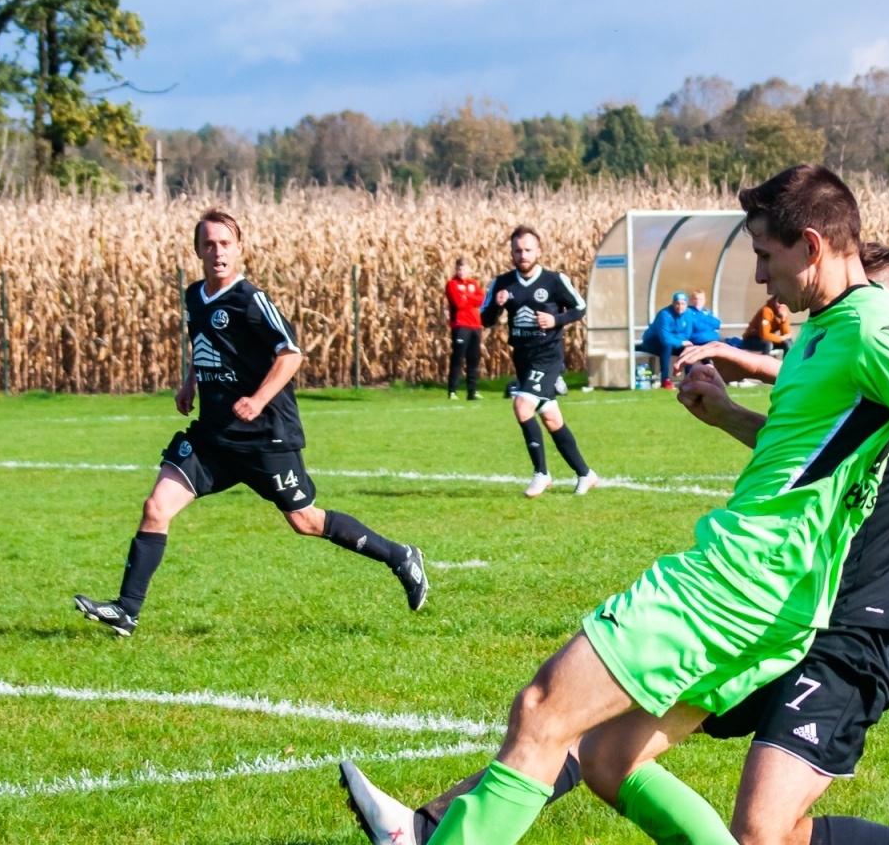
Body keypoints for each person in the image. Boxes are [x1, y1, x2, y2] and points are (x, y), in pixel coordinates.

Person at [294, 165, 889, 845]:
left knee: (542, 715)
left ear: (813, 245)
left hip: (736, 582)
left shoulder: (876, 331)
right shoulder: (826, 332)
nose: (759, 274)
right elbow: (807, 461)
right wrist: (723, 413)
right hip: (764, 594)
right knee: (608, 758)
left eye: (766, 253)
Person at [72, 209, 429, 637]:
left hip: (265, 438)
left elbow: (291, 353)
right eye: (209, 244)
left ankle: (400, 556)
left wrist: (259, 400)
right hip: (214, 438)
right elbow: (203, 342)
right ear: (198, 250)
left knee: (305, 522)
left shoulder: (251, 300)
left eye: (225, 244)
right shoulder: (193, 296)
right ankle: (127, 610)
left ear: (239, 248)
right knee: (156, 507)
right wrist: (190, 383)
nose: (217, 252)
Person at [480, 225, 598, 498]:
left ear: (539, 251)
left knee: (522, 406)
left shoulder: (555, 280)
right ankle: (585, 473)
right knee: (551, 418)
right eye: (517, 250)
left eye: (528, 250)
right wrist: (497, 305)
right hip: (522, 357)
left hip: (548, 356)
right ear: (511, 252)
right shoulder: (501, 283)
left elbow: (580, 307)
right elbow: (484, 320)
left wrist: (556, 319)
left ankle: (541, 474)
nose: (522, 255)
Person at [444, 258, 487, 400]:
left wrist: (467, 296)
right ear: (456, 270)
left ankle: (472, 391)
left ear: (469, 270)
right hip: (461, 325)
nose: (461, 272)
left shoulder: (473, 283)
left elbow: (482, 300)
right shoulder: (452, 284)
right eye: (459, 269)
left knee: (473, 359)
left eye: (464, 269)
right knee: (458, 358)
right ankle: (452, 391)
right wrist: (470, 299)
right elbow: (458, 303)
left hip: (475, 325)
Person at [636, 291, 694, 389]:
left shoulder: (688, 314)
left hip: (672, 342)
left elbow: (687, 334)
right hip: (652, 342)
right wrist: (680, 341)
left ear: (686, 304)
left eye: (683, 304)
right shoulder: (664, 314)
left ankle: (690, 379)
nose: (680, 306)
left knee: (689, 348)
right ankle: (665, 380)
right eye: (677, 303)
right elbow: (664, 338)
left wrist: (675, 339)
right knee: (666, 346)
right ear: (673, 303)